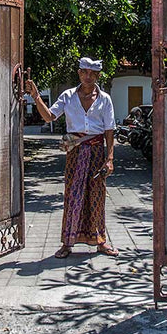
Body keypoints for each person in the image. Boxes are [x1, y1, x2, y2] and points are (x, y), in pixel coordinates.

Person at [25, 57, 120, 258]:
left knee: (97, 197)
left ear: (98, 75)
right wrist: (35, 96)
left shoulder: (105, 99)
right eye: (84, 72)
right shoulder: (68, 96)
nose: (88, 76)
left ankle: (101, 242)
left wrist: (109, 158)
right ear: (79, 73)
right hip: (75, 154)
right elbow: (50, 116)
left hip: (96, 154)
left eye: (92, 73)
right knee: (72, 196)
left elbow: (109, 130)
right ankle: (67, 243)